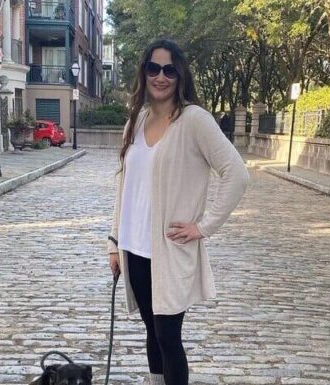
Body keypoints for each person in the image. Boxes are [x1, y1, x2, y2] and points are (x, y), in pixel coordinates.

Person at [107, 39, 249, 385]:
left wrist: (205, 226)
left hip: (169, 249)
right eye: (153, 68)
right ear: (144, 72)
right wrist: (114, 242)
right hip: (134, 248)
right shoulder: (136, 121)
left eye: (169, 69)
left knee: (168, 336)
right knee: (151, 333)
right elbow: (124, 186)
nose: (161, 76)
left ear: (179, 74)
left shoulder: (194, 120)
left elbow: (237, 173)